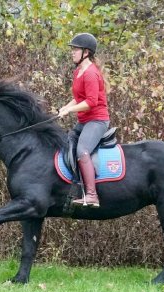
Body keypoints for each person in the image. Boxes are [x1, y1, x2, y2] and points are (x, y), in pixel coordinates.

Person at [58, 33, 110, 208]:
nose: (72, 53)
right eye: (72, 49)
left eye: (75, 50)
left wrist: (70, 110)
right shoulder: (78, 71)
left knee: (82, 150)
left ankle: (92, 195)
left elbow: (91, 102)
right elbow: (78, 97)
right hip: (84, 121)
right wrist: (65, 108)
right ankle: (75, 187)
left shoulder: (90, 74)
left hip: (97, 121)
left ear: (86, 52)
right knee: (67, 144)